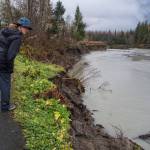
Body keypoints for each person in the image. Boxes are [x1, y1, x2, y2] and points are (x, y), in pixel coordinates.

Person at [0, 17, 32, 112]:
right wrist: (10, 69)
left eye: (28, 28)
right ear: (20, 27)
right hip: (3, 63)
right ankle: (5, 106)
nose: (27, 30)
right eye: (26, 28)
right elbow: (10, 55)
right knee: (6, 84)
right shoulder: (17, 38)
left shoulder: (4, 30)